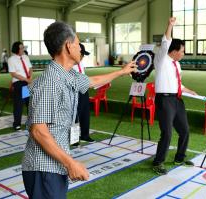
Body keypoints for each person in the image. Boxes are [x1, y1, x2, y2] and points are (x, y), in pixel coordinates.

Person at [21, 21, 137, 199]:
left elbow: (93, 81)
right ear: (68, 46)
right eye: (77, 43)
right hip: (43, 167)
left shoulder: (68, 74)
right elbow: (38, 131)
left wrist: (121, 72)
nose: (80, 48)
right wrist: (70, 163)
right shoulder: (51, 82)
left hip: (55, 163)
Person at [152, 17, 198, 175]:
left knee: (184, 130)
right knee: (167, 132)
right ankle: (158, 162)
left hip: (177, 99)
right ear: (174, 50)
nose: (183, 54)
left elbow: (178, 83)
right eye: (182, 51)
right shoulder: (161, 59)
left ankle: (179, 157)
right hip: (164, 99)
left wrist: (189, 90)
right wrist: (169, 25)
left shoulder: (177, 64)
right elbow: (165, 42)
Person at [8, 41, 33, 131]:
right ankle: (17, 124)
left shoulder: (25, 57)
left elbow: (30, 68)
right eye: (21, 48)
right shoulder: (11, 59)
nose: (23, 49)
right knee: (19, 104)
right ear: (17, 49)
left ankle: (30, 123)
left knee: (29, 103)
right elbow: (13, 73)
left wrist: (30, 77)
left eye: (23, 48)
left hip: (27, 83)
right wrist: (26, 79)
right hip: (19, 83)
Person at [72, 43, 94, 143]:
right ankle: (74, 138)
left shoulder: (80, 63)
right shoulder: (70, 64)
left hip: (84, 90)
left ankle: (85, 135)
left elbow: (83, 76)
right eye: (82, 54)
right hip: (75, 92)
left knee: (85, 113)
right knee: (75, 115)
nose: (83, 57)